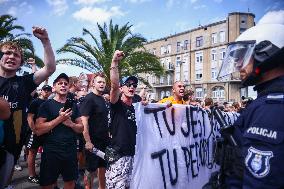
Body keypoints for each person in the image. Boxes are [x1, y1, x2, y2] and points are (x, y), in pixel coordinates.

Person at [217, 17, 284, 189]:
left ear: (265, 53)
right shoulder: (267, 101)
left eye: (242, 56)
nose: (238, 65)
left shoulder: (270, 109)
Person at [0, 26, 56, 188]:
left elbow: (50, 68)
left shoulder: (24, 83)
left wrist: (45, 41)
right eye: (7, 53)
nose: (11, 57)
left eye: (16, 55)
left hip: (11, 148)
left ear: (20, 63)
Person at [35, 73, 83, 189]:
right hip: (51, 151)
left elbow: (81, 128)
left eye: (65, 84)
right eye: (59, 83)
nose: (63, 85)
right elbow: (38, 129)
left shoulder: (74, 106)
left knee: (70, 182)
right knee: (47, 184)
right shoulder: (46, 105)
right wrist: (59, 119)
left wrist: (71, 124)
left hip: (70, 150)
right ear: (54, 87)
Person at [106, 50, 138, 188]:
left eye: (134, 85)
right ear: (122, 88)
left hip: (131, 155)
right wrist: (114, 62)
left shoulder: (136, 107)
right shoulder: (116, 104)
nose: (132, 87)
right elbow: (113, 86)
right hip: (117, 156)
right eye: (129, 84)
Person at [80, 72, 109, 189]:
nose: (102, 84)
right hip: (92, 142)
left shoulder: (102, 99)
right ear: (93, 83)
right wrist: (87, 141)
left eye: (103, 82)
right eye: (99, 82)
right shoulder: (89, 99)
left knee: (102, 168)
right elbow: (84, 121)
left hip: (103, 141)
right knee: (90, 170)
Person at [26, 84, 52, 184]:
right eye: (45, 90)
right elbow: (29, 117)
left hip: (45, 132)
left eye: (48, 90)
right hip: (34, 132)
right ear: (41, 91)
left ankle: (44, 173)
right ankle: (31, 175)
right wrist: (34, 130)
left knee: (46, 153)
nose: (46, 92)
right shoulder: (35, 102)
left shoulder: (49, 102)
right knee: (32, 153)